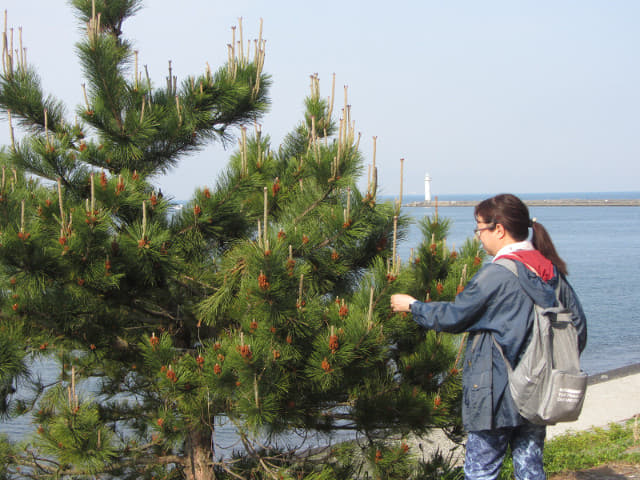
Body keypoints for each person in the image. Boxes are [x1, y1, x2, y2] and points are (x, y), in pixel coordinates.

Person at [390, 193, 587, 480]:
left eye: (479, 229)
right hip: (538, 391)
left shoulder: (496, 275)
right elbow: (577, 328)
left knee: (482, 471)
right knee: (530, 469)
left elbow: (455, 316)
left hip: (495, 395)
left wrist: (413, 306)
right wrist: (543, 366)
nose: (478, 237)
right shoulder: (551, 272)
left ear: (499, 229)